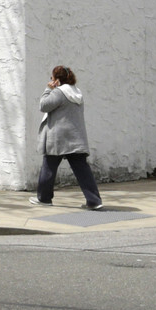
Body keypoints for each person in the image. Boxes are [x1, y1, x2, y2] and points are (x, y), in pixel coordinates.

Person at [31, 65, 102, 210]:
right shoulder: (77, 92)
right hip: (75, 138)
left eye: (52, 77)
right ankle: (94, 201)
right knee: (82, 170)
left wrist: (48, 90)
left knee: (49, 167)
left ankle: (44, 198)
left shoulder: (58, 92)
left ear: (56, 79)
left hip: (58, 138)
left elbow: (44, 106)